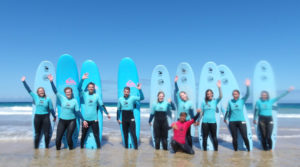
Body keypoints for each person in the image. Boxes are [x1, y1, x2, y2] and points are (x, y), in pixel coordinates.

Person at [48, 74, 87, 150]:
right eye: (67, 92)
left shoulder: (74, 101)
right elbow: (55, 91)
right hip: (62, 120)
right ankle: (58, 152)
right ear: (65, 93)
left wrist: (83, 120)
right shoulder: (62, 98)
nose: (68, 93)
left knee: (69, 137)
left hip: (71, 121)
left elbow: (78, 112)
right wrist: (51, 82)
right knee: (58, 138)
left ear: (71, 92)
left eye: (69, 92)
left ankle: (71, 152)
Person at [253, 86, 294, 150]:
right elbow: (256, 111)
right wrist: (255, 119)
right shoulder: (258, 102)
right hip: (261, 120)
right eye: (262, 95)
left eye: (265, 95)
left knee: (268, 136)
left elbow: (280, 97)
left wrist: (288, 91)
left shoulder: (271, 101)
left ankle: (270, 149)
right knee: (263, 136)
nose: (264, 96)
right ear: (261, 96)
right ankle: (265, 149)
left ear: (267, 96)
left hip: (269, 119)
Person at [21, 76, 56, 149]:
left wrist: (54, 116)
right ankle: (36, 148)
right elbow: (29, 90)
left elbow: (51, 109)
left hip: (46, 117)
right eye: (40, 91)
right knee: (37, 134)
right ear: (38, 92)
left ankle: (47, 148)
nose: (41, 92)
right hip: (37, 117)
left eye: (42, 91)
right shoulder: (35, 97)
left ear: (44, 92)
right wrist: (24, 82)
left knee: (47, 134)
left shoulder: (48, 99)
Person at [78, 73, 111, 149]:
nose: (91, 88)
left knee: (96, 135)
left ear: (94, 88)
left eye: (92, 87)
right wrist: (82, 79)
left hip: (94, 120)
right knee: (83, 135)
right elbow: (78, 88)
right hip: (85, 120)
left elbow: (102, 105)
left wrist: (107, 113)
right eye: (89, 87)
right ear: (88, 88)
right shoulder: (85, 94)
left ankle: (99, 149)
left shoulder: (96, 96)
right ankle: (81, 149)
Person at [224, 79, 251, 152]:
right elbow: (228, 111)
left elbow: (248, 94)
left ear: (238, 95)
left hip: (241, 121)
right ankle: (235, 151)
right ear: (233, 95)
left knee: (245, 136)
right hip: (232, 122)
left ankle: (248, 150)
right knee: (234, 138)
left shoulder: (242, 100)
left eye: (236, 94)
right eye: (234, 94)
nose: (235, 95)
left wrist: (247, 86)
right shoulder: (230, 102)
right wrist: (225, 118)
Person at [117, 84, 144, 149]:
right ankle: (126, 149)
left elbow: (142, 98)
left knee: (133, 133)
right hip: (124, 118)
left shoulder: (132, 98)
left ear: (129, 92)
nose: (126, 93)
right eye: (125, 91)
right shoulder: (120, 99)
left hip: (131, 117)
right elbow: (118, 110)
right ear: (123, 92)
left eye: (127, 92)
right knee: (125, 135)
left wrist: (140, 89)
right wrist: (118, 118)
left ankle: (136, 148)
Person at [199, 80, 222, 151]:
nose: (209, 95)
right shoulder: (203, 102)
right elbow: (201, 112)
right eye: (207, 94)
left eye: (210, 93)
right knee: (205, 137)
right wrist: (198, 121)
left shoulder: (215, 101)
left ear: (212, 94)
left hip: (213, 122)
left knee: (214, 137)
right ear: (206, 95)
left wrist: (219, 88)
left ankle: (216, 150)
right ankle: (204, 152)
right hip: (205, 122)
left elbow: (221, 96)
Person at [174, 76, 195, 148]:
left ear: (186, 94)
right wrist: (175, 83)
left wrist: (195, 120)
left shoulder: (190, 103)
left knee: (188, 134)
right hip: (179, 120)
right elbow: (177, 90)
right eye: (181, 95)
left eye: (183, 95)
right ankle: (179, 147)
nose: (182, 96)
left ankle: (190, 147)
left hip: (187, 120)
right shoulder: (179, 101)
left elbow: (192, 113)